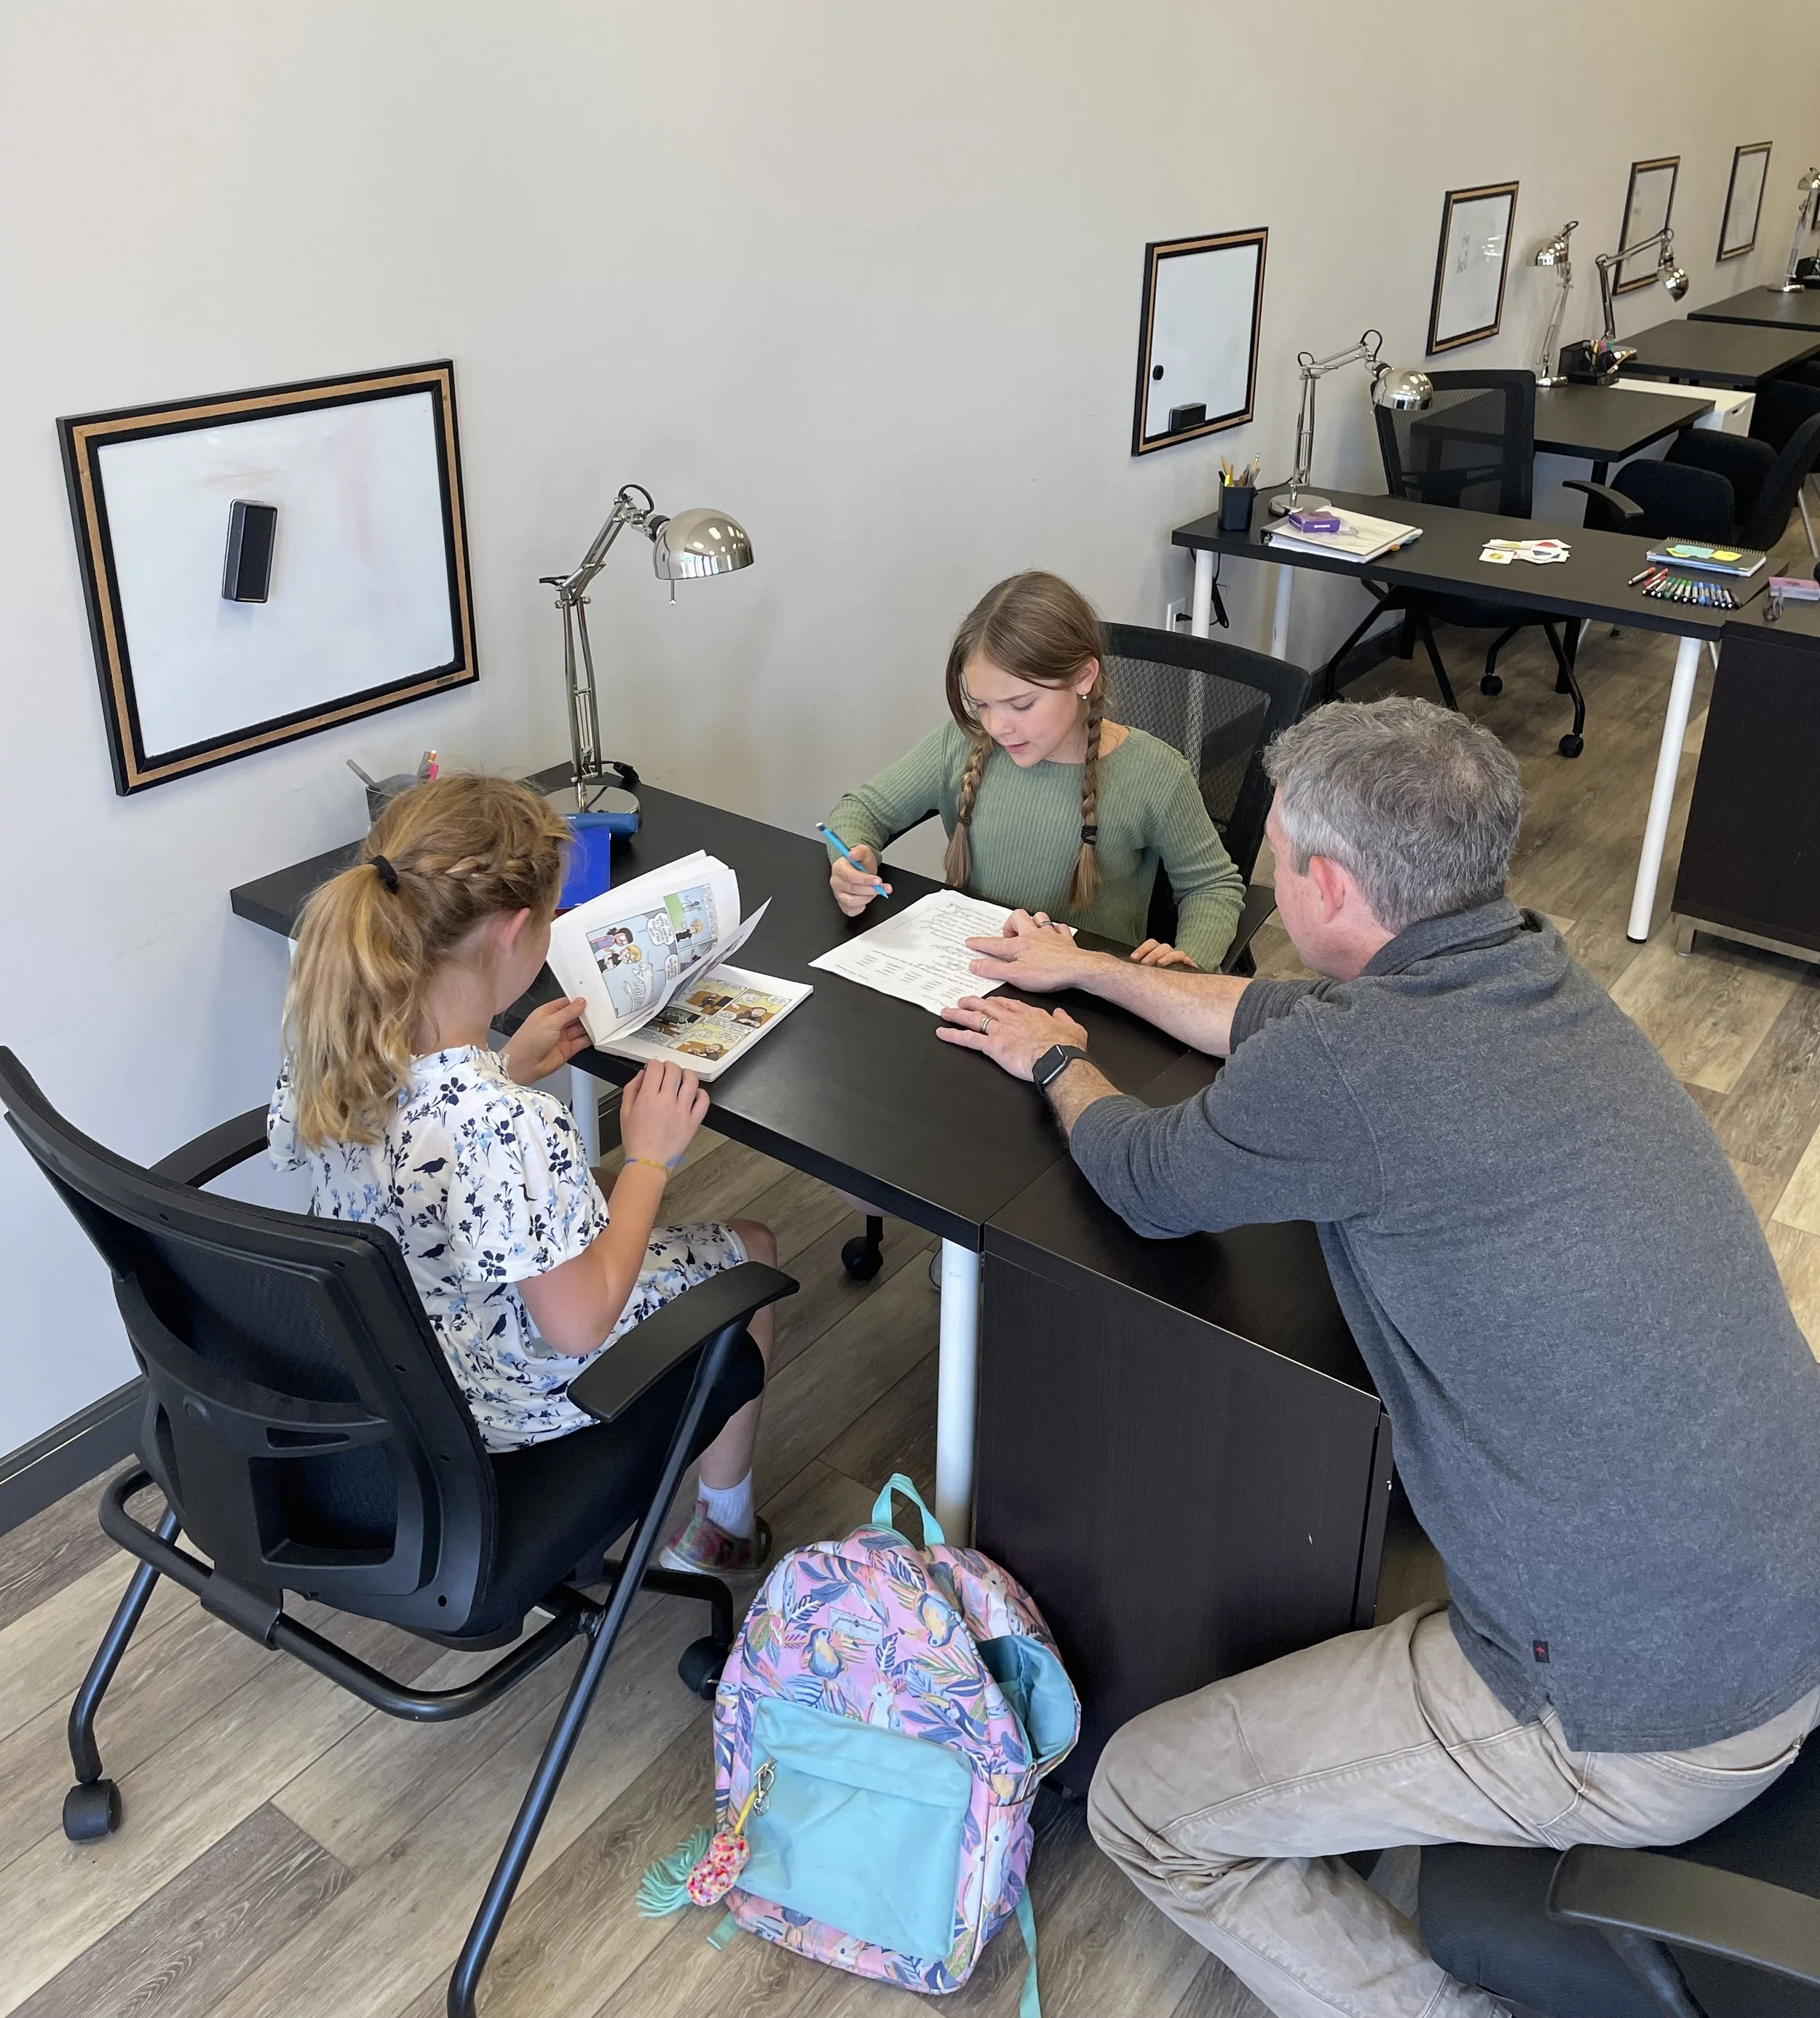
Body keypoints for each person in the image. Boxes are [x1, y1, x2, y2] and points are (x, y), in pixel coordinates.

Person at [934, 695, 1820, 2018]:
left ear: (1329, 881)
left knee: (1145, 1801)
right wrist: (1101, 972)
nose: (1274, 879)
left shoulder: (1366, 1069)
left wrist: (1060, 1059)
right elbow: (1285, 1018)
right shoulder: (1523, 969)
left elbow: (1147, 1175)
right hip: (1767, 1602)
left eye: (1281, 854)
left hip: (1637, 1709)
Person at [269, 772, 778, 1580]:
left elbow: (427, 1158)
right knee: (749, 1247)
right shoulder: (508, 1124)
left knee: (598, 1190)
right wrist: (651, 1155)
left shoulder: (337, 1051)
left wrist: (506, 1067)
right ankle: (724, 1529)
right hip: (498, 1401)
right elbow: (578, 1326)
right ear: (515, 934)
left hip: (397, 1360)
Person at [823, 569, 1246, 971]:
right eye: (982, 704)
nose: (997, 726)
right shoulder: (960, 744)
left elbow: (1213, 887)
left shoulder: (1155, 774)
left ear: (1084, 677)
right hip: (972, 976)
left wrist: (1188, 966)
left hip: (1085, 1000)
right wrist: (853, 860)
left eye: (1021, 705)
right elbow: (862, 810)